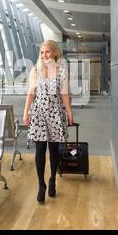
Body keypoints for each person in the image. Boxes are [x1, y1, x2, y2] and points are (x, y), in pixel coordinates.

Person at [23, 40, 74, 204]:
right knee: (39, 150)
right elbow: (30, 94)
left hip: (55, 113)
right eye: (42, 52)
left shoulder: (62, 71)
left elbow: (64, 94)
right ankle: (41, 185)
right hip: (38, 113)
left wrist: (69, 112)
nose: (44, 55)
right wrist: (26, 113)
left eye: (47, 52)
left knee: (53, 150)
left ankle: (52, 179)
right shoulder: (35, 70)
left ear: (55, 53)